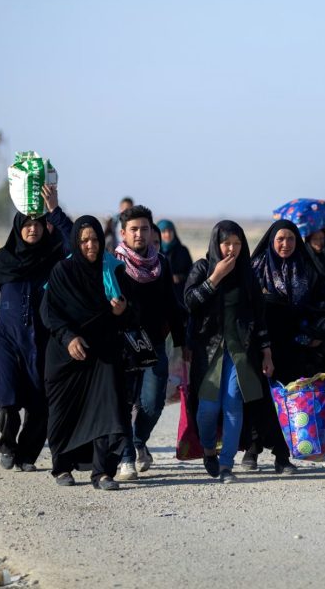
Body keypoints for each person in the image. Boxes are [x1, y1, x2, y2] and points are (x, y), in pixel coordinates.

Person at [0, 186, 71, 472]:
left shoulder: (53, 256)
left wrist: (55, 210)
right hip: (8, 338)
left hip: (43, 338)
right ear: (18, 227)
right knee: (8, 396)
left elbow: (77, 244)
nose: (33, 229)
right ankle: (7, 444)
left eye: (37, 223)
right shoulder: (4, 258)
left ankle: (27, 455)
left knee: (40, 402)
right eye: (27, 224)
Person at [40, 216, 132, 491]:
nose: (91, 245)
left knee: (107, 410)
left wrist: (120, 311)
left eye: (95, 239)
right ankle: (62, 467)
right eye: (84, 241)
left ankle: (102, 473)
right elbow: (49, 312)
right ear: (76, 243)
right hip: (65, 355)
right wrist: (69, 338)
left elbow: (129, 314)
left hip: (102, 353)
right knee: (63, 413)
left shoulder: (114, 271)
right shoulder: (62, 271)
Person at [184, 221, 275, 485]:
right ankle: (209, 448)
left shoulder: (247, 274)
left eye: (237, 244)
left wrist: (267, 353)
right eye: (227, 244)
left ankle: (226, 464)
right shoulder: (202, 268)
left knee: (233, 403)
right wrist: (215, 278)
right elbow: (189, 302)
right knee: (208, 408)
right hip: (209, 350)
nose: (232, 249)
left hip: (239, 351)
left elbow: (259, 317)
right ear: (216, 244)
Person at [242, 219, 325, 473]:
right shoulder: (256, 269)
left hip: (297, 348)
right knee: (259, 398)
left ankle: (282, 457)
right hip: (262, 345)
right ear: (271, 241)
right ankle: (253, 448)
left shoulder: (309, 270)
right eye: (280, 239)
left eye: (291, 239)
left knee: (291, 400)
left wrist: (319, 332)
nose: (285, 244)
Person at [113, 205, 189, 481]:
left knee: (153, 402)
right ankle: (126, 459)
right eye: (133, 229)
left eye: (144, 228)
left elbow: (172, 304)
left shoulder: (162, 263)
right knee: (123, 403)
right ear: (123, 233)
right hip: (123, 345)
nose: (139, 233)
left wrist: (183, 342)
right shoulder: (113, 264)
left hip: (154, 344)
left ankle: (137, 440)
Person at [157, 219, 194, 304]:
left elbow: (191, 273)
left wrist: (180, 277)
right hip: (160, 297)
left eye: (170, 230)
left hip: (180, 295)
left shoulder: (183, 251)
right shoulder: (154, 251)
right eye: (163, 231)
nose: (167, 234)